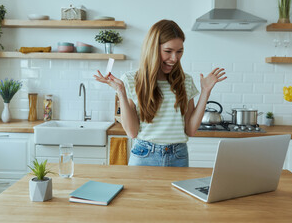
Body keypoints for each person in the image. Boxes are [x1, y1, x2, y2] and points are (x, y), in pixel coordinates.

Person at [94, 19, 226, 167]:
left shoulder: (185, 81)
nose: (174, 58)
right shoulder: (131, 80)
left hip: (179, 155)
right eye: (168, 51)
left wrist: (205, 92)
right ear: (153, 49)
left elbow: (190, 130)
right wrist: (121, 93)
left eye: (179, 51)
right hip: (144, 155)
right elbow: (132, 132)